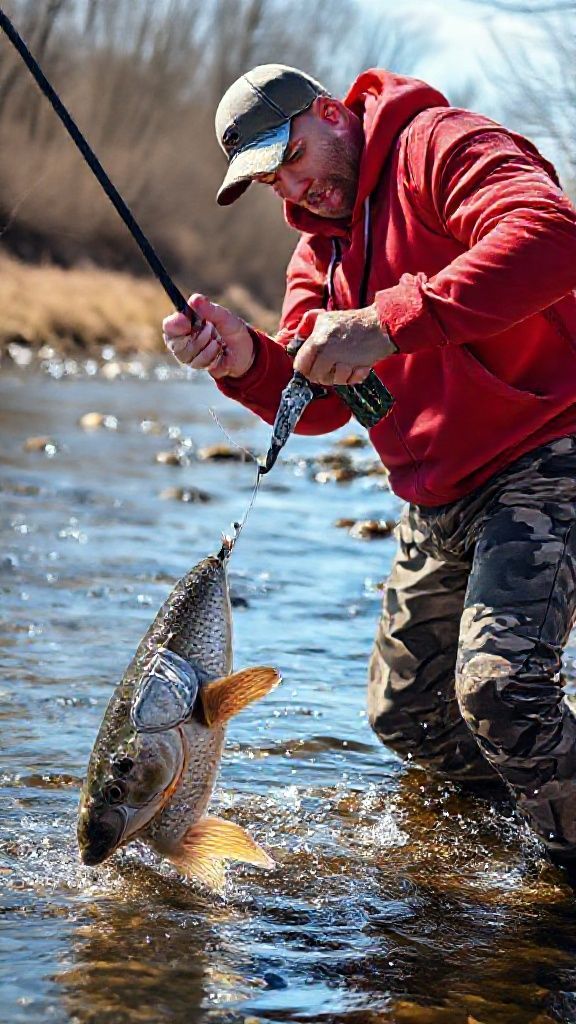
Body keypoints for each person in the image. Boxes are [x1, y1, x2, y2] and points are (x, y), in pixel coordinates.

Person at [162, 64, 576, 871]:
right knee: (411, 715)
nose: (293, 184)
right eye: (270, 176)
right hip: (442, 498)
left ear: (331, 111)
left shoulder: (439, 146)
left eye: (294, 154)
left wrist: (388, 322)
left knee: (500, 690)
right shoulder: (317, 260)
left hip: (551, 452)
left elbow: (554, 237)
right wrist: (245, 359)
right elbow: (315, 402)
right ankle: (521, 837)